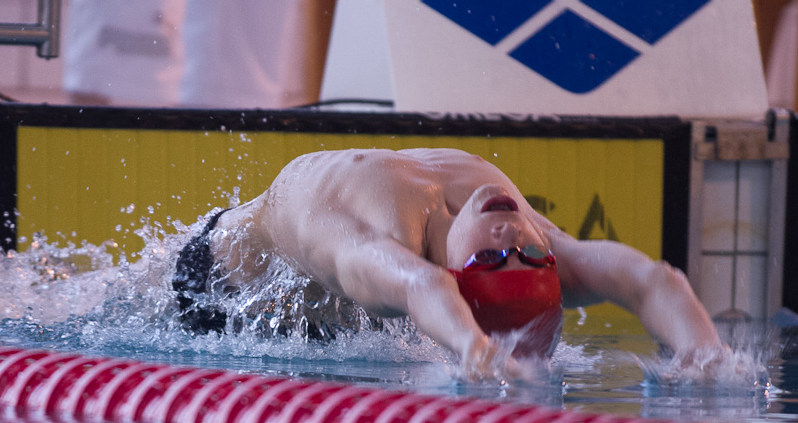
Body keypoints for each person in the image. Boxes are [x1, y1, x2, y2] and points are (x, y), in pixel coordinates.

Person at [173, 148, 725, 379]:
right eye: (531, 255)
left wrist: (472, 350)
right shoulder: (535, 238)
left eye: (493, 258)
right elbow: (651, 281)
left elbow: (421, 283)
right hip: (256, 278)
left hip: (215, 293)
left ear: (458, 279)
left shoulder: (381, 246)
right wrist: (707, 354)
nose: (512, 234)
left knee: (122, 312)